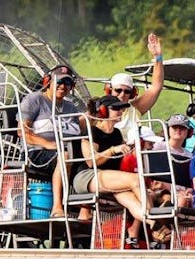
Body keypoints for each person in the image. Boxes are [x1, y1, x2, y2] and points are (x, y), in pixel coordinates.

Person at [73, 95, 165, 242]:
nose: (121, 112)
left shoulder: (116, 134)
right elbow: (91, 161)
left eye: (121, 109)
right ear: (103, 111)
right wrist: (113, 150)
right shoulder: (92, 131)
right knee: (136, 180)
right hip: (89, 176)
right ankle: (154, 216)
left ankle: (154, 225)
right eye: (116, 108)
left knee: (131, 199)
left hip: (111, 178)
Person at [19, 65, 81, 219]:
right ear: (48, 82)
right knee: (65, 156)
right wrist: (49, 144)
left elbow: (82, 128)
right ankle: (57, 207)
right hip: (37, 151)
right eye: (59, 81)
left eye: (67, 83)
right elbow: (23, 132)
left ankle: (85, 211)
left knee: (89, 160)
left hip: (65, 151)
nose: (63, 86)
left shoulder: (71, 107)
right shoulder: (35, 100)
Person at [107, 33, 164, 116]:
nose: (122, 95)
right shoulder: (101, 110)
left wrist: (158, 57)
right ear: (110, 90)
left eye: (127, 91)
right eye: (118, 90)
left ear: (132, 94)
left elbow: (156, 87)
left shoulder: (134, 110)